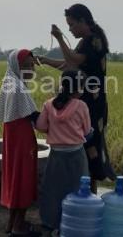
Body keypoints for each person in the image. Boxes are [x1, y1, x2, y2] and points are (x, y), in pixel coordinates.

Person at [38, 3, 116, 193]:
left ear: (83, 21)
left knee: (89, 141)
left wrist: (59, 39)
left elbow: (73, 61)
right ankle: (87, 191)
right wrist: (47, 60)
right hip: (87, 95)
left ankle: (89, 192)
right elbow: (70, 66)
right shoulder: (87, 41)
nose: (70, 30)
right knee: (86, 141)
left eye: (72, 25)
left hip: (92, 98)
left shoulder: (93, 40)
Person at [35, 70, 92, 234]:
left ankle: (51, 223)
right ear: (79, 88)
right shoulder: (81, 106)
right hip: (76, 154)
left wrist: (54, 130)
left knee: (53, 190)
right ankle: (73, 223)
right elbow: (87, 130)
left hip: (56, 154)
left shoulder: (48, 104)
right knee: (77, 188)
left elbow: (41, 127)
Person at [0, 49, 41, 237]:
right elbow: (34, 116)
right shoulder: (18, 87)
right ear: (16, 66)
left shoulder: (10, 81)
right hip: (21, 139)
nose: (32, 69)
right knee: (23, 177)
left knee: (14, 175)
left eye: (32, 65)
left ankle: (12, 223)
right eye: (27, 66)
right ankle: (19, 227)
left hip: (13, 138)